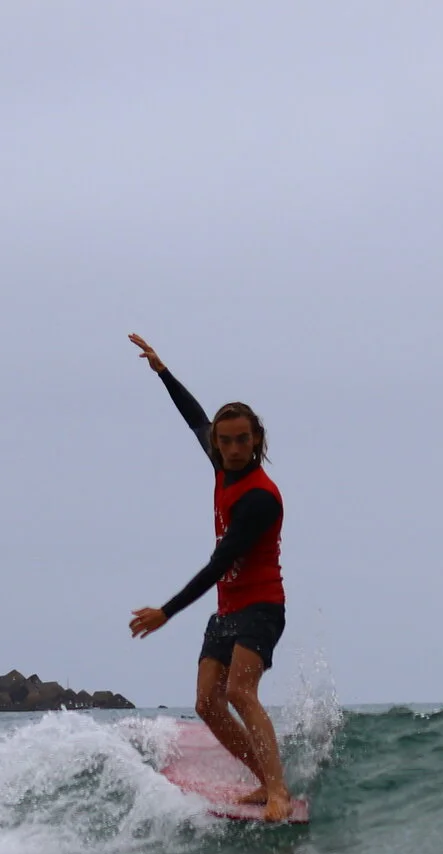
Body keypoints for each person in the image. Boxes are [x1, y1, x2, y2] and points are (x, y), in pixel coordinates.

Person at [125, 333, 294, 823]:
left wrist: (166, 612)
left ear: (256, 439)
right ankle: (262, 780)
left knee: (241, 692)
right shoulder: (221, 463)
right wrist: (162, 372)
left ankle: (278, 789)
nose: (234, 448)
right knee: (206, 703)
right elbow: (194, 416)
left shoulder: (259, 498)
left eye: (243, 440)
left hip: (262, 606)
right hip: (228, 609)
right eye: (225, 441)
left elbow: (220, 563)